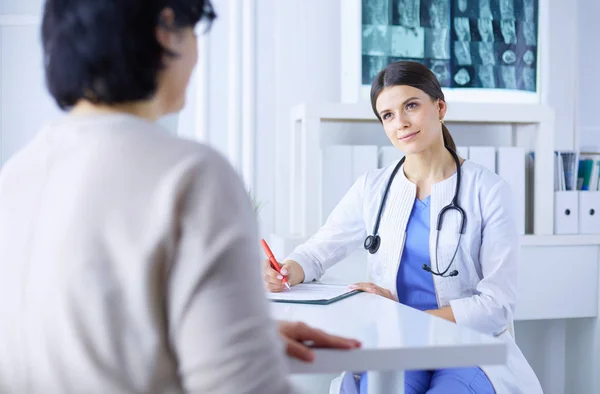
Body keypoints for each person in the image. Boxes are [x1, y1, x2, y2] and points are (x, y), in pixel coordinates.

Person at [0, 0, 360, 393]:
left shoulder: (16, 175)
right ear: (167, 28)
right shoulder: (190, 175)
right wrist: (242, 355)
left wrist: (227, 334)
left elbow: (78, 331)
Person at [263, 61, 543, 394]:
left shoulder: (489, 191)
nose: (401, 123)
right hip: (395, 345)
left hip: (468, 344)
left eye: (411, 106)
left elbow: (497, 305)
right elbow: (317, 251)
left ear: (439, 107)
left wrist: (408, 318)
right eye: (388, 115)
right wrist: (286, 270)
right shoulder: (373, 187)